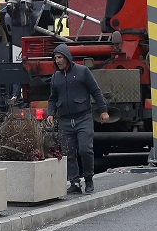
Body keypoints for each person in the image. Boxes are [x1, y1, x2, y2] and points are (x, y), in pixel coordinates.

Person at [45, 43, 110, 195]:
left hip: (83, 118)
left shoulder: (82, 72)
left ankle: (88, 179)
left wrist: (103, 110)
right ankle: (74, 182)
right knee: (69, 153)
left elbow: (95, 91)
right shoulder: (55, 77)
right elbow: (52, 99)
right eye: (55, 58)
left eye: (60, 57)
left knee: (85, 149)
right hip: (65, 121)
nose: (58, 61)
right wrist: (50, 113)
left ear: (67, 57)